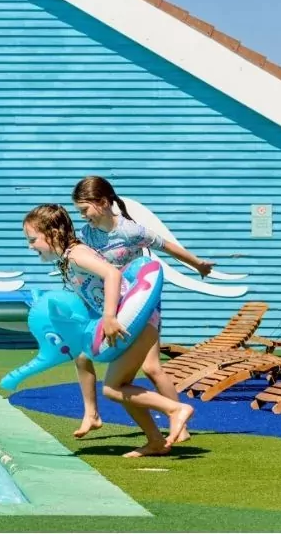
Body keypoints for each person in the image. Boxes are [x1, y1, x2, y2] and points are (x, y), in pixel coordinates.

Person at [23, 204, 193, 457]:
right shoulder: (69, 258)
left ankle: (175, 409)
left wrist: (110, 317)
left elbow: (112, 274)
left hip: (132, 323)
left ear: (53, 233)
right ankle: (155, 441)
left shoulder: (76, 255)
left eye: (33, 239)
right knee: (119, 383)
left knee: (113, 388)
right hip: (133, 324)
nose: (30, 246)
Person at [70, 175, 214, 442]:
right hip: (115, 303)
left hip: (142, 303)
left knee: (152, 367)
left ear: (102, 203)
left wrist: (198, 265)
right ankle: (91, 413)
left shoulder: (130, 231)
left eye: (84, 209)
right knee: (81, 355)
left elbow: (167, 247)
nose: (83, 216)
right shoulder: (86, 235)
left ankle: (179, 424)